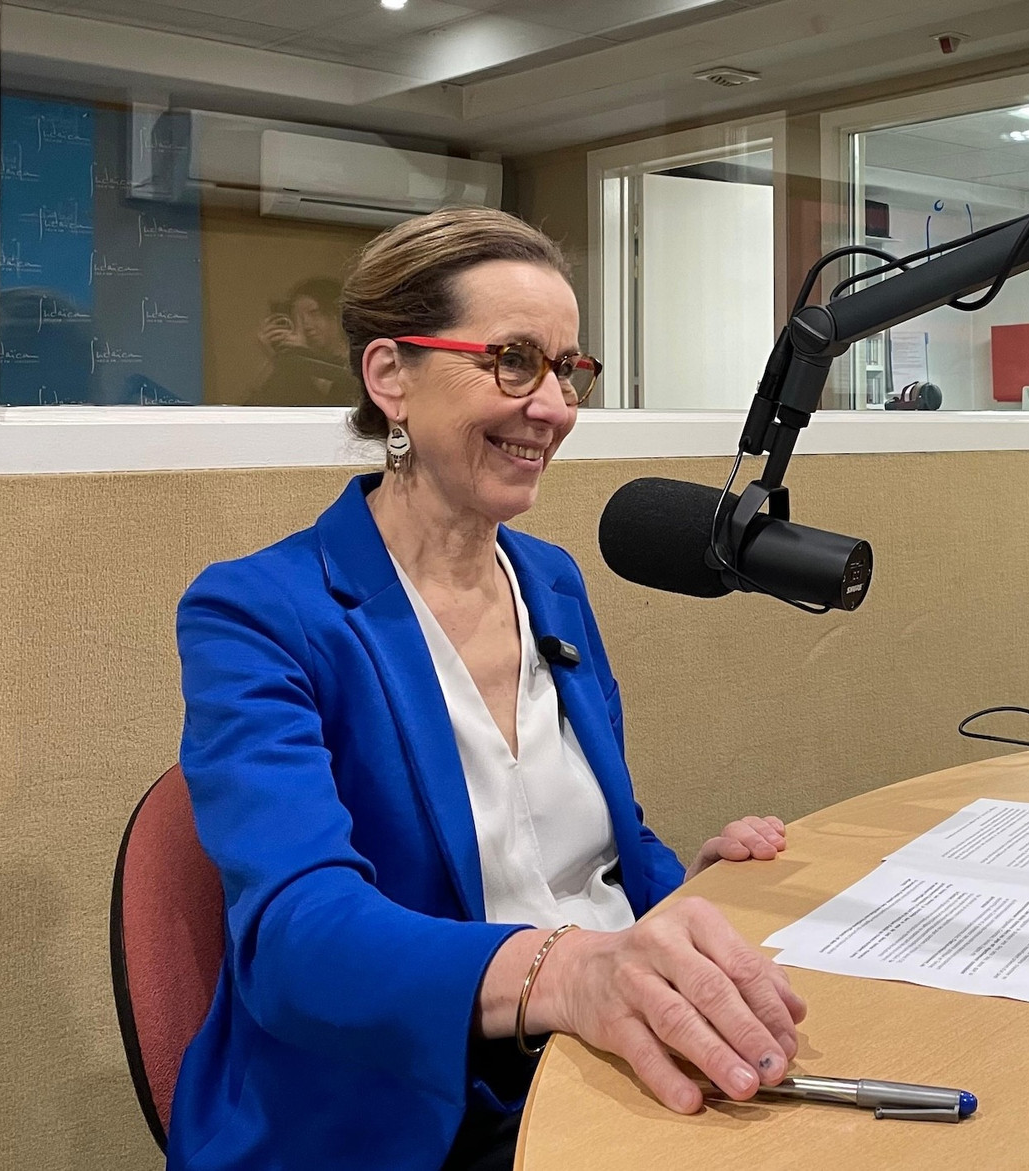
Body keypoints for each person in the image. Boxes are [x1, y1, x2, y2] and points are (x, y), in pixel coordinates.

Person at [170, 207, 806, 1170]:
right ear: (391, 377)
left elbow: (593, 848)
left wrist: (676, 886)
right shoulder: (259, 610)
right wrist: (567, 972)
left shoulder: (550, 578)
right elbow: (296, 939)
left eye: (568, 368)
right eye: (513, 361)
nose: (552, 405)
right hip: (404, 1107)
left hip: (589, 1059)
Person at [246, 277, 358, 406]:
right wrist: (276, 359)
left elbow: (344, 389)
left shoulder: (360, 359)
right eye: (297, 316)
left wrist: (303, 354)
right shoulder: (295, 369)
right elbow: (253, 409)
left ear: (337, 314)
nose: (306, 324)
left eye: (314, 312)